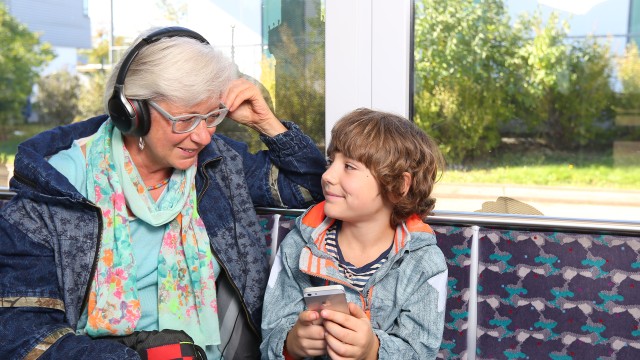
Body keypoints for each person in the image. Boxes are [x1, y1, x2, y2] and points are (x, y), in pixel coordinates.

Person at [0, 26, 326, 359]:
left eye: (211, 115)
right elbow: (25, 336)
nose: (202, 136)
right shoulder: (57, 187)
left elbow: (310, 188)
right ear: (133, 113)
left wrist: (266, 123)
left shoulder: (217, 164)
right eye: (185, 120)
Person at [261, 108, 448, 359]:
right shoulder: (299, 245)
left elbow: (420, 352)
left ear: (399, 186)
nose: (327, 176)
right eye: (331, 162)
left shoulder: (423, 262)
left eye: (349, 166)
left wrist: (373, 350)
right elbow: (271, 333)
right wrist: (291, 343)